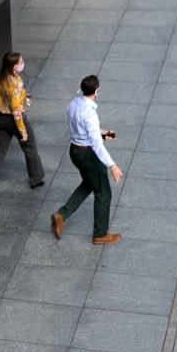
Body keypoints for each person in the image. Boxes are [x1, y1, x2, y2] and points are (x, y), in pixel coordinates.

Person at [51, 74, 123, 244]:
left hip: (75, 150)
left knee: (89, 183)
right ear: (97, 91)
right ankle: (100, 234)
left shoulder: (73, 104)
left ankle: (62, 215)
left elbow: (83, 130)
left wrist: (105, 134)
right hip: (88, 154)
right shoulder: (90, 113)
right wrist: (112, 164)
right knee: (103, 193)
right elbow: (96, 144)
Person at [0, 52, 43, 198]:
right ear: (14, 66)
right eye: (21, 62)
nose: (23, 63)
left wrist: (22, 96)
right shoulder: (16, 83)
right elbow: (16, 111)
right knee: (30, 147)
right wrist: (23, 131)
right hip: (14, 120)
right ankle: (36, 178)